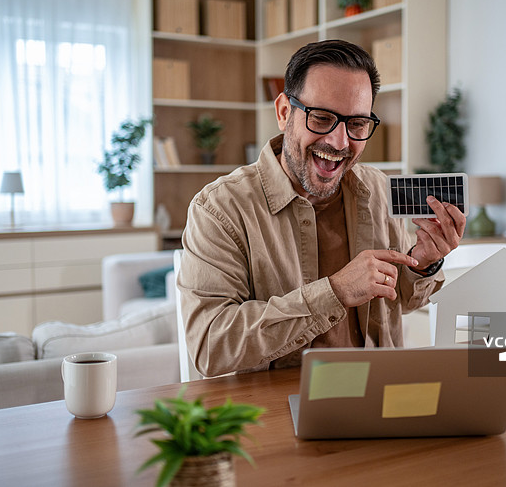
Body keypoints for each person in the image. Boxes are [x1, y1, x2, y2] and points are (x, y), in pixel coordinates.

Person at [177, 39, 465, 377]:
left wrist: (424, 263)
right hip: (279, 412)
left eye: (357, 124)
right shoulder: (220, 210)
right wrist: (337, 291)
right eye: (322, 118)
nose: (339, 142)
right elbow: (211, 346)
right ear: (285, 112)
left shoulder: (376, 189)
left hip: (380, 397)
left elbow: (403, 302)